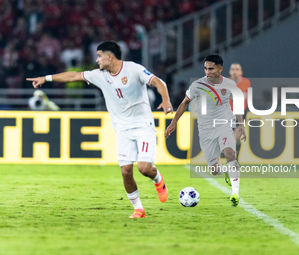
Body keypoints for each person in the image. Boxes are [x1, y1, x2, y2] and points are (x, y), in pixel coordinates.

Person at [27, 41, 173, 218]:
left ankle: (157, 179)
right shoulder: (99, 75)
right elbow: (73, 76)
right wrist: (46, 78)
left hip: (143, 126)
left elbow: (158, 82)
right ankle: (139, 209)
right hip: (122, 129)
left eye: (99, 56)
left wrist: (165, 100)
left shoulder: (133, 69)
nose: (96, 60)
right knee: (126, 172)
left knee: (144, 168)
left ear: (109, 56)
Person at [164, 55, 246, 207]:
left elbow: (238, 104)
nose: (207, 72)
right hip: (206, 130)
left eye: (211, 69)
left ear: (220, 69)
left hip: (224, 126)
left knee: (230, 154)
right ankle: (226, 171)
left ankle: (235, 193)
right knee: (214, 170)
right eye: (205, 68)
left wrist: (241, 125)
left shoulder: (230, 85)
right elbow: (184, 103)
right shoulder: (197, 85)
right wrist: (173, 122)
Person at [229, 63, 251, 161]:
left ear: (241, 72)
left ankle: (236, 159)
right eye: (233, 69)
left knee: (237, 137)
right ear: (230, 71)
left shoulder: (246, 82)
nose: (235, 71)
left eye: (237, 69)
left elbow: (246, 98)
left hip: (240, 112)